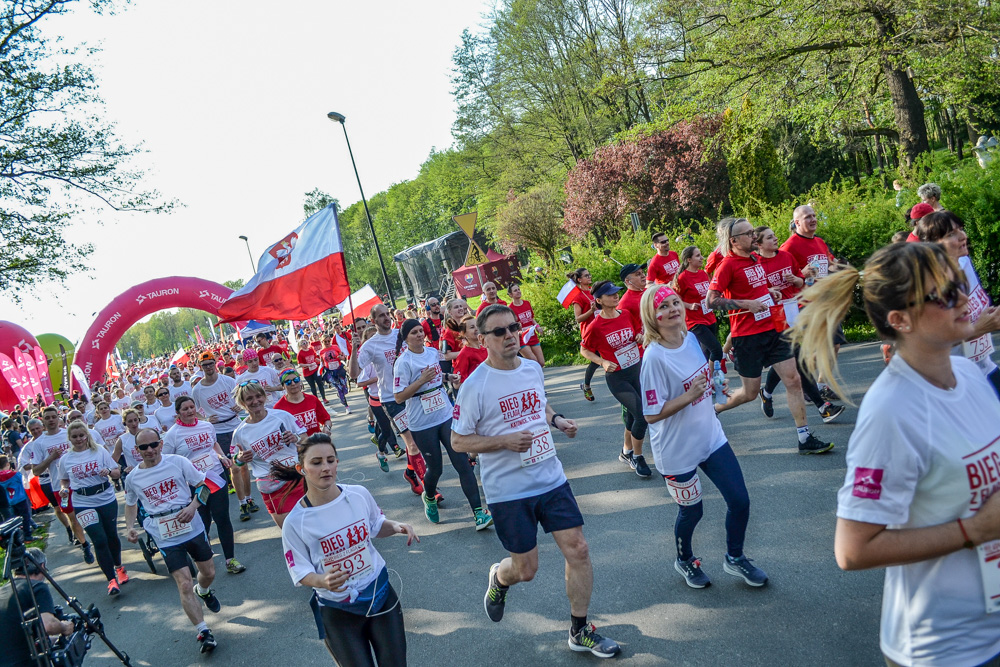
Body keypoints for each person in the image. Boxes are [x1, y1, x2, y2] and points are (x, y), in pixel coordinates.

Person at [792, 241, 1000, 667]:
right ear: (899, 319)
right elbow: (853, 551)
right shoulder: (892, 411)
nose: (964, 298)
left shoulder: (969, 374)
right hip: (944, 649)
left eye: (959, 283)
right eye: (942, 293)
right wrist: (974, 530)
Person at [451, 304, 620, 658]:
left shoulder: (531, 368)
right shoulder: (475, 386)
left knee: (579, 549)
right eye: (500, 332)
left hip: (550, 476)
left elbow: (538, 405)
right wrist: (502, 442)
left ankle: (579, 629)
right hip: (508, 490)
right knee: (526, 570)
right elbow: (458, 441)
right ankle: (499, 577)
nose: (510, 334)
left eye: (513, 327)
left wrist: (557, 420)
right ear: (483, 340)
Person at [638, 285, 768, 589]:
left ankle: (734, 557)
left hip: (711, 438)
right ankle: (685, 560)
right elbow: (651, 413)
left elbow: (700, 380)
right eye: (664, 306)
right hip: (676, 451)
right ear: (652, 316)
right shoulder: (653, 359)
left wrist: (714, 386)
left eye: (675, 302)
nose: (673, 309)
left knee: (740, 500)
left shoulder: (691, 339)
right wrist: (691, 395)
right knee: (692, 511)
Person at [279, 434, 417, 666]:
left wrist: (395, 526)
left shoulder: (358, 494)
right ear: (301, 468)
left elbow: (375, 526)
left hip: (379, 594)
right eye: (316, 462)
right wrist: (322, 581)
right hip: (338, 610)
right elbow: (300, 572)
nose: (326, 468)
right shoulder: (295, 521)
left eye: (331, 460)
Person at [707, 217, 834, 454]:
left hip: (773, 329)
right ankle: (714, 409)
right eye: (748, 234)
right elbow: (712, 300)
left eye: (753, 232)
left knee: (794, 380)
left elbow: (758, 287)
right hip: (747, 336)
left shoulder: (755, 258)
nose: (753, 236)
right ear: (734, 241)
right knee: (749, 393)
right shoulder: (727, 265)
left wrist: (770, 291)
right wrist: (747, 304)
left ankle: (804, 439)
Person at [124, 428, 222, 654]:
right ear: (137, 451)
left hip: (191, 525)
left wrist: (193, 507)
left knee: (208, 573)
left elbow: (204, 487)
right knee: (184, 582)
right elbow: (130, 504)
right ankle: (204, 631)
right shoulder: (133, 477)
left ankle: (204, 591)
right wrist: (130, 527)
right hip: (163, 534)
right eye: (143, 447)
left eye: (153, 444)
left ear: (161, 444)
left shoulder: (177, 462)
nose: (150, 450)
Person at [392, 319, 491, 529]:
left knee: (462, 463)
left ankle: (479, 513)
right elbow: (399, 397)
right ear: (406, 338)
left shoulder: (431, 352)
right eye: (414, 333)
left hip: (445, 414)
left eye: (421, 331)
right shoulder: (403, 362)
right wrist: (420, 381)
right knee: (435, 468)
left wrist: (448, 377)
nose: (419, 335)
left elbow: (436, 376)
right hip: (421, 421)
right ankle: (429, 496)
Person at [754, 226, 846, 423]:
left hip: (792, 311)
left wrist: (797, 278)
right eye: (770, 238)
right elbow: (752, 291)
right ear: (759, 244)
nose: (775, 239)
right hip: (772, 316)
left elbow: (802, 281)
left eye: (774, 235)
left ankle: (767, 392)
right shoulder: (756, 265)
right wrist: (768, 289)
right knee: (794, 358)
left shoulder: (786, 256)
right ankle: (823, 407)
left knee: (791, 358)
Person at [916, 210, 1000, 396]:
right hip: (952, 382)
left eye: (961, 229)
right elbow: (935, 340)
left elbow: (978, 309)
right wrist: (979, 328)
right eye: (951, 234)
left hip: (985, 369)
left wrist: (992, 317)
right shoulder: (929, 283)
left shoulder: (964, 263)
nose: (963, 236)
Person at [348, 304, 428, 497]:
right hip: (391, 399)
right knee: (413, 443)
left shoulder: (401, 335)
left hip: (412, 393)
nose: (386, 318)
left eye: (387, 314)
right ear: (374, 321)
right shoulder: (370, 345)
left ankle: (410, 472)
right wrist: (354, 347)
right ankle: (430, 488)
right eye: (381, 316)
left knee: (419, 441)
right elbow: (353, 373)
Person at [164, 396, 245, 575]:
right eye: (185, 409)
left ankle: (230, 559)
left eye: (192, 407)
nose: (190, 411)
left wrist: (222, 456)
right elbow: (167, 461)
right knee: (203, 521)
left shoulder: (207, 426)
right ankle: (205, 560)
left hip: (215, 477)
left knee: (222, 518)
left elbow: (213, 444)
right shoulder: (173, 434)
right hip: (195, 484)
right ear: (178, 412)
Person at [579, 281, 651, 478]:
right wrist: (601, 362)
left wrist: (639, 336)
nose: (615, 296)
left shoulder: (626, 314)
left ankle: (626, 451)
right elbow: (584, 349)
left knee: (632, 416)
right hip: (618, 378)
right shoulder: (596, 326)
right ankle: (638, 456)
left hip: (636, 370)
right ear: (599, 300)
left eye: (616, 293)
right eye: (610, 294)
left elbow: (639, 332)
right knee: (642, 414)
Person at [779, 204, 845, 401]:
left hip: (825, 300)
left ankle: (821, 384)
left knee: (834, 345)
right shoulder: (789, 246)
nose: (813, 219)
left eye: (814, 215)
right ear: (797, 222)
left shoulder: (820, 241)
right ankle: (808, 386)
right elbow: (783, 276)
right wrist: (802, 274)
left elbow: (830, 265)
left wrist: (840, 270)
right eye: (808, 217)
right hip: (805, 303)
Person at [56, 421, 126, 596]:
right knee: (99, 540)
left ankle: (119, 567)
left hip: (105, 498)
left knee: (111, 536)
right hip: (82, 502)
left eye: (81, 435)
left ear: (86, 436)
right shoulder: (66, 459)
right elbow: (64, 480)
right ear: (69, 439)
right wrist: (64, 489)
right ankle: (111, 580)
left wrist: (108, 472)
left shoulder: (99, 451)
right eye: (75, 437)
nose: (79, 439)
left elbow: (117, 472)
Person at [231, 382, 307, 528]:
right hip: (272, 485)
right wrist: (240, 459)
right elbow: (235, 463)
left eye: (258, 396)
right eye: (249, 399)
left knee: (314, 523)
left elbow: (305, 438)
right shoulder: (240, 432)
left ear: (265, 397)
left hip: (297, 476)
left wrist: (296, 438)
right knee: (289, 531)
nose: (255, 401)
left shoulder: (282, 416)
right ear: (242, 403)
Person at [192, 352, 257, 521]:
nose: (209, 367)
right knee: (233, 467)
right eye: (205, 365)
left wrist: (239, 405)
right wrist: (205, 419)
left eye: (211, 363)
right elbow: (194, 412)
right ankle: (242, 503)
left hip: (235, 426)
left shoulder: (227, 381)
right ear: (200, 367)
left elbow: (242, 397)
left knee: (243, 466)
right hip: (218, 431)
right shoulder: (197, 389)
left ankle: (249, 498)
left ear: (216, 364)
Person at [22, 406, 90, 557]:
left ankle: (95, 538)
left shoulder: (69, 434)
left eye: (54, 417)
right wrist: (51, 458)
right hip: (59, 487)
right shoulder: (39, 443)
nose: (51, 420)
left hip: (80, 480)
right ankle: (85, 544)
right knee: (71, 516)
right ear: (43, 420)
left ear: (58, 417)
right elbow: (36, 471)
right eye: (48, 418)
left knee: (87, 513)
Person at [0, 548, 75, 667]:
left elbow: (14, 634)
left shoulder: (3, 592)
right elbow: (48, 625)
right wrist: (64, 627)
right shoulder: (37, 587)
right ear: (42, 566)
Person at [674, 246, 725, 371]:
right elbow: (674, 300)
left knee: (705, 354)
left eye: (701, 254)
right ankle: (710, 380)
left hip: (709, 318)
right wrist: (688, 305)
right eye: (698, 256)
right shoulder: (683, 278)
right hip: (695, 322)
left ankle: (702, 381)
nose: (702, 258)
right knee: (717, 350)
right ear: (689, 260)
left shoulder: (703, 274)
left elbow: (709, 292)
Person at [565, 268, 600, 402]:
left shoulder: (593, 291)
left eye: (589, 274)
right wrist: (591, 311)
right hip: (589, 332)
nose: (589, 277)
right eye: (586, 276)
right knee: (596, 361)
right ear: (579, 280)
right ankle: (586, 385)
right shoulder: (578, 297)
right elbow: (578, 318)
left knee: (607, 356)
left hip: (601, 329)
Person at [275, 368, 333, 437]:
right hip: (297, 446)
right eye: (288, 382)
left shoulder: (312, 399)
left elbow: (326, 419)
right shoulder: (278, 408)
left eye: (296, 380)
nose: (293, 384)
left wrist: (326, 428)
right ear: (283, 386)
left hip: (317, 443)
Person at [508, 283, 544, 366]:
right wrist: (519, 332)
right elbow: (511, 327)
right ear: (511, 295)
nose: (518, 291)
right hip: (522, 338)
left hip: (532, 335)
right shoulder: (510, 309)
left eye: (519, 289)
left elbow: (531, 318)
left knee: (541, 363)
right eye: (515, 290)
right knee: (534, 362)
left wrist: (538, 327)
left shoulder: (526, 303)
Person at [0, 454, 34, 542]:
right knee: (25, 517)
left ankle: (18, 536)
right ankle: (28, 536)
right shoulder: (15, 475)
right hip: (21, 499)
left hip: (10, 501)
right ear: (7, 464)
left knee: (15, 519)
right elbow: (24, 482)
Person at [318, 335, 351, 414]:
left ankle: (341, 395)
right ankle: (346, 406)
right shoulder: (321, 352)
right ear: (322, 342)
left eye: (328, 341)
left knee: (344, 388)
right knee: (339, 388)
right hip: (330, 371)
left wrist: (341, 357)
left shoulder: (335, 347)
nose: (327, 343)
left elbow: (343, 356)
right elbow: (321, 362)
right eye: (325, 341)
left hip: (339, 369)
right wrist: (320, 371)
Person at [452, 316, 488, 382]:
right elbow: (458, 384)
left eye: (477, 325)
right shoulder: (464, 354)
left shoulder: (485, 348)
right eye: (472, 327)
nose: (476, 329)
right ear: (464, 333)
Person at [617, 263, 647, 335]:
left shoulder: (649, 291)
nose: (643, 276)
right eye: (638, 274)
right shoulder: (624, 303)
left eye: (642, 272)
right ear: (628, 281)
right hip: (646, 343)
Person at [297, 339, 328, 405]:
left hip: (315, 369)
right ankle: (316, 400)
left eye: (306, 343)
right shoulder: (300, 353)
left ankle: (324, 398)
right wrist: (308, 365)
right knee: (313, 387)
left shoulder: (311, 349)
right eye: (303, 343)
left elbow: (315, 358)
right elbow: (300, 364)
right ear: (300, 345)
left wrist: (321, 361)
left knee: (320, 383)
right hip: (307, 372)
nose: (305, 344)